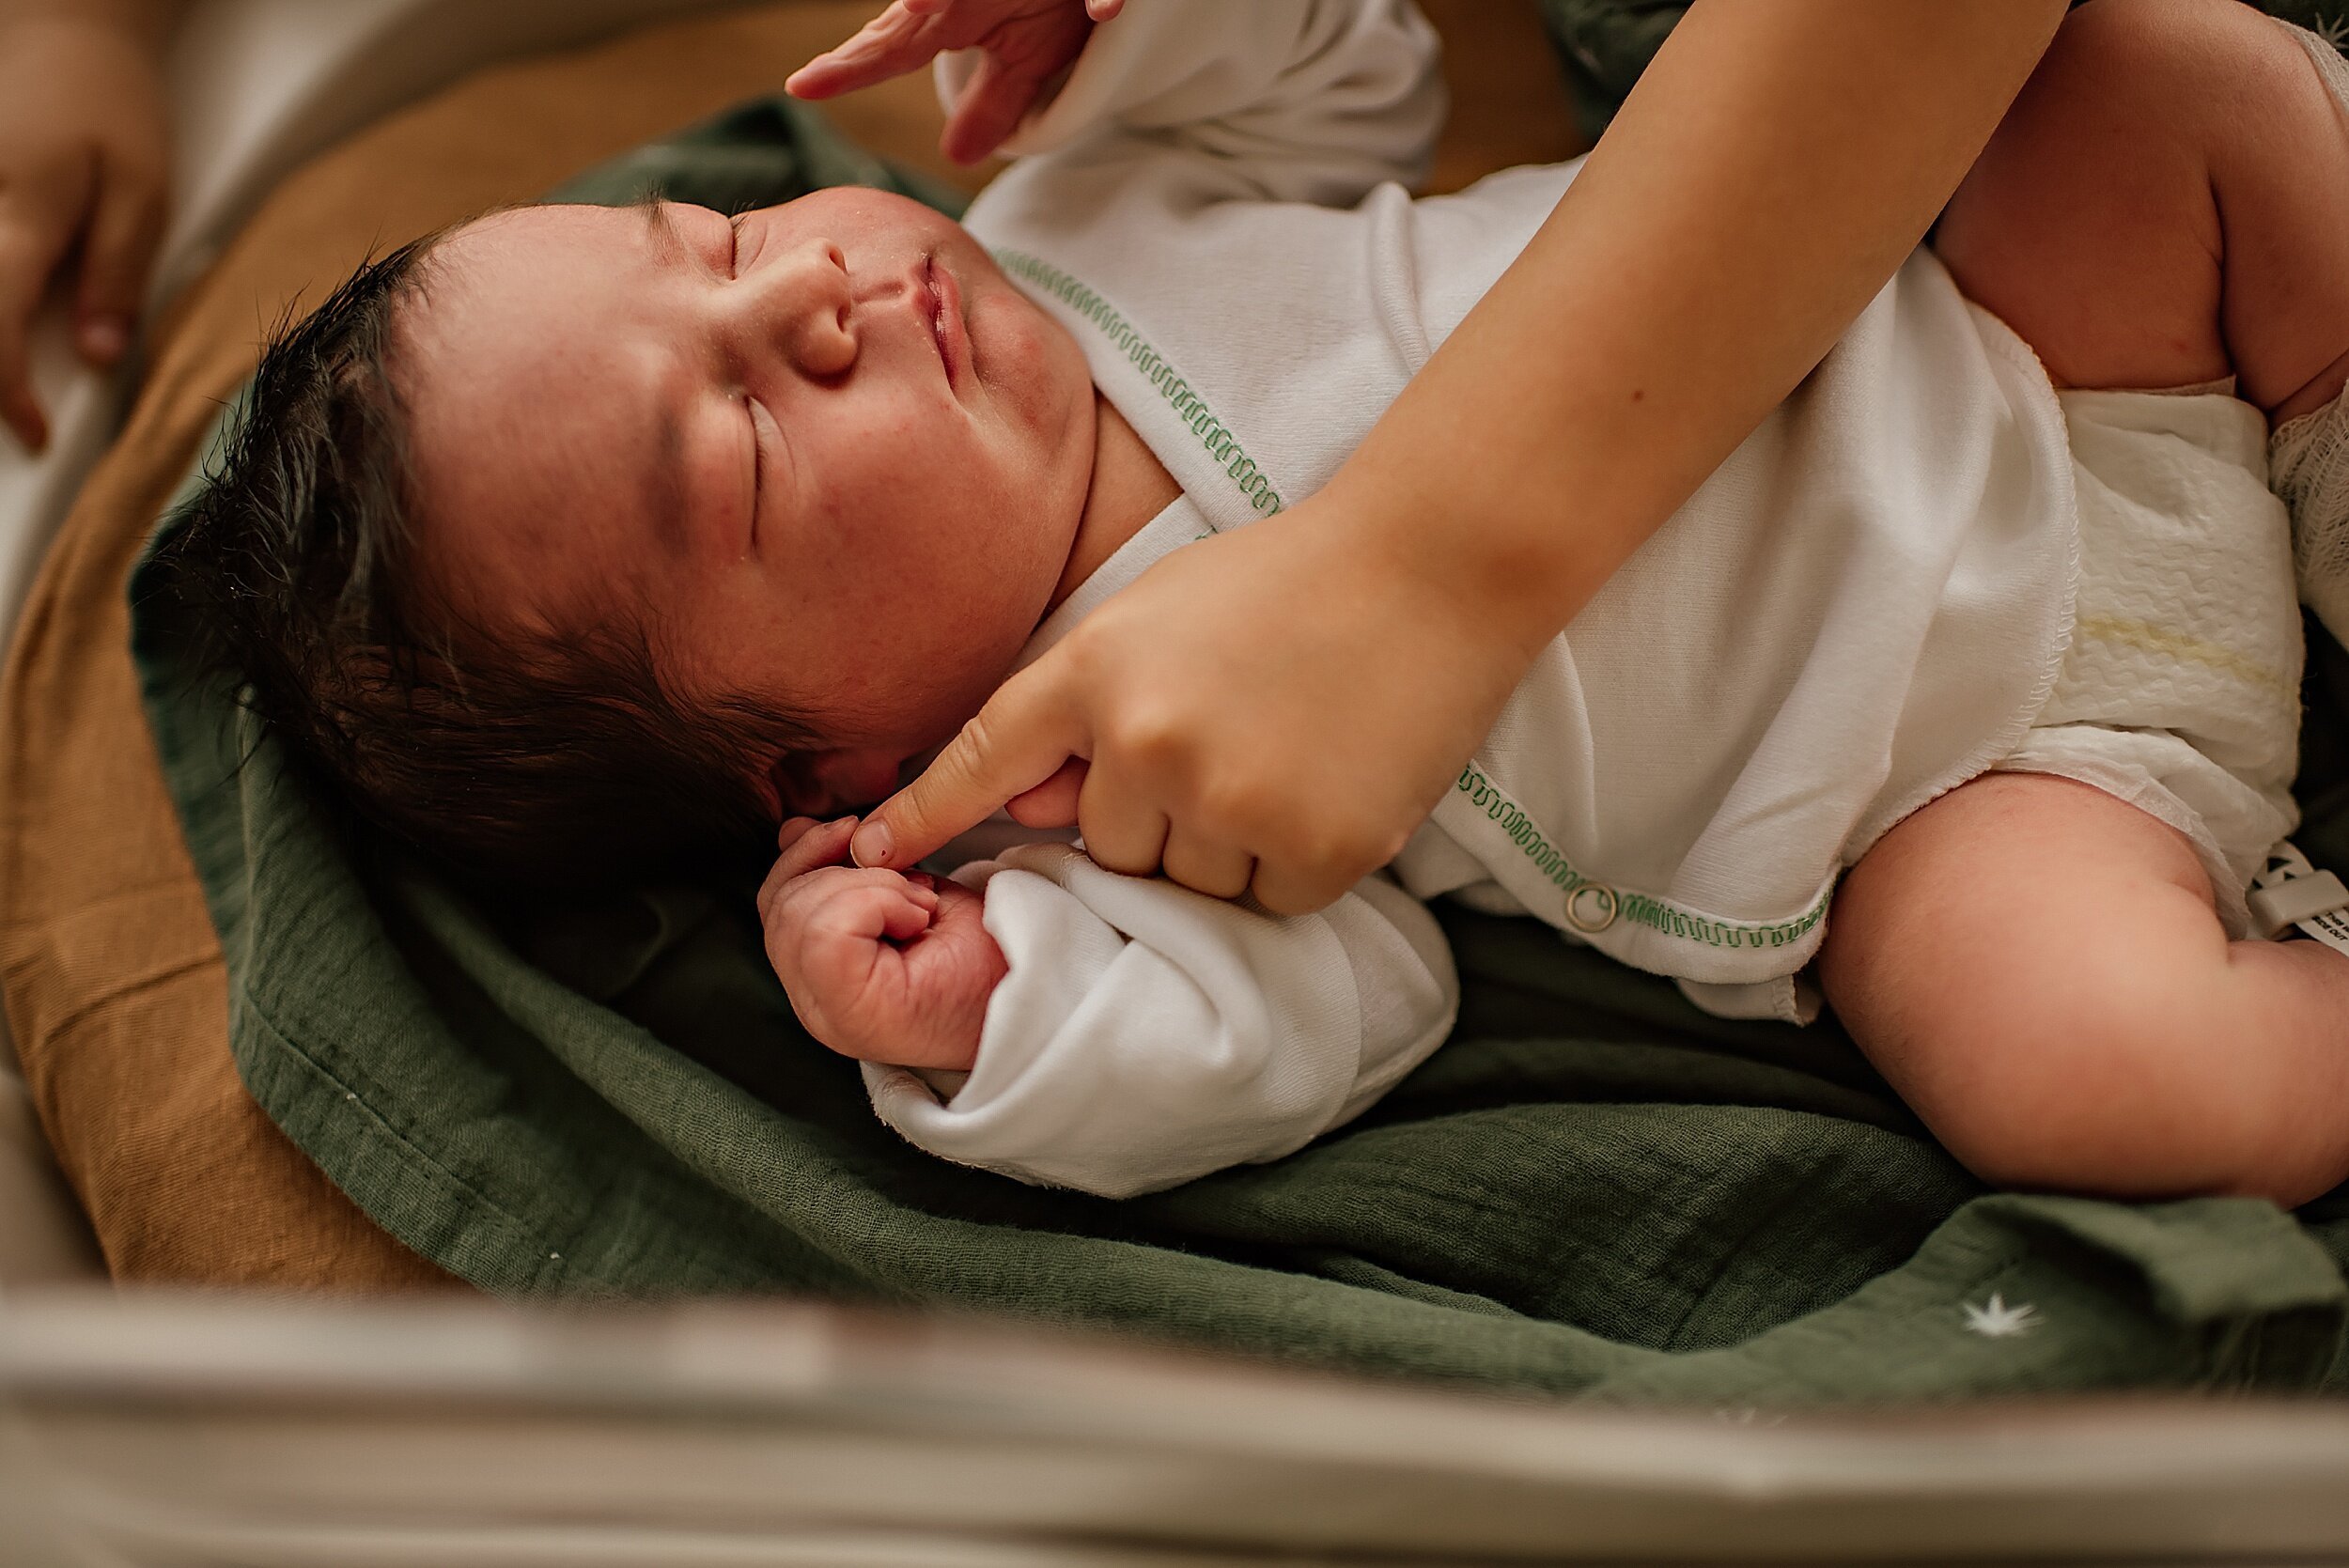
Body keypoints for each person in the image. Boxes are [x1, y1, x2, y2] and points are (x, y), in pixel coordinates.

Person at [158, 0, 2349, 1202]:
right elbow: (1328, 1016)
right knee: (2082, 1076)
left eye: (719, 253)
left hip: (1993, 318)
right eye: (734, 450)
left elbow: (1351, 75)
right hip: (1961, 790)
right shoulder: (1056, 799)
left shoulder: (1090, 215)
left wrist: (1118, 32)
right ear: (819, 765)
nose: (813, 293)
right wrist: (983, 1022)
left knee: (2157, 80)